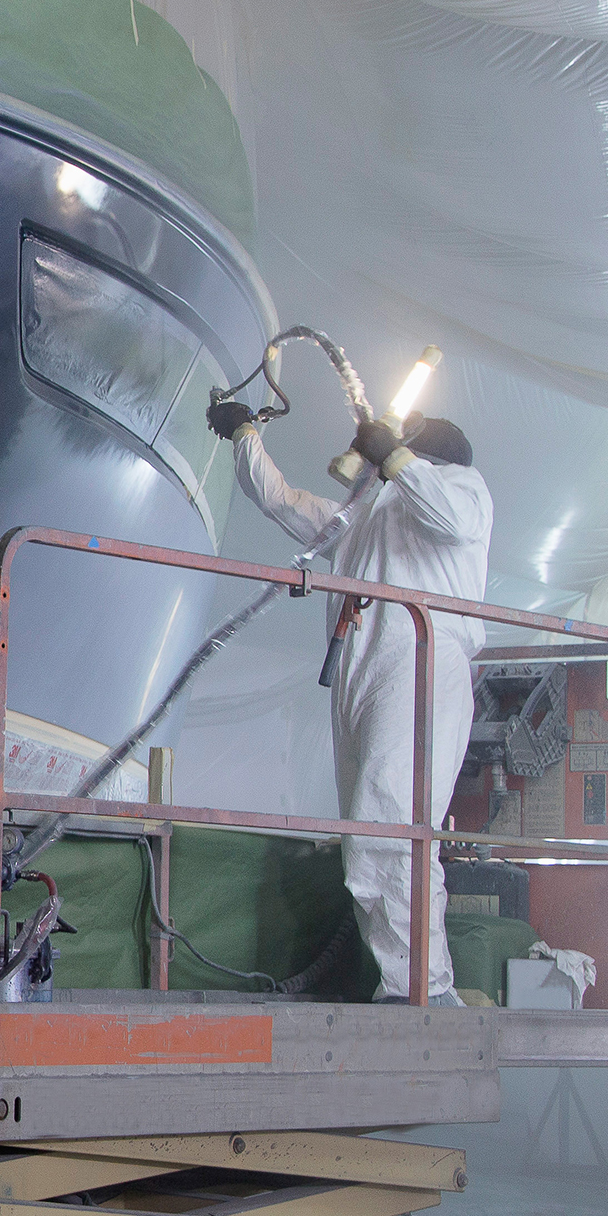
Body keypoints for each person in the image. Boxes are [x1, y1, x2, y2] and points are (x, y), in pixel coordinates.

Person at [216, 403, 491, 1001]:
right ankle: (403, 982)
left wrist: (394, 454)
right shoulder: (366, 511)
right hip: (362, 666)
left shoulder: (461, 489)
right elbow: (283, 501)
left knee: (391, 821)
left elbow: (449, 518)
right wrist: (245, 436)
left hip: (422, 659)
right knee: (366, 834)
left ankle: (424, 986)